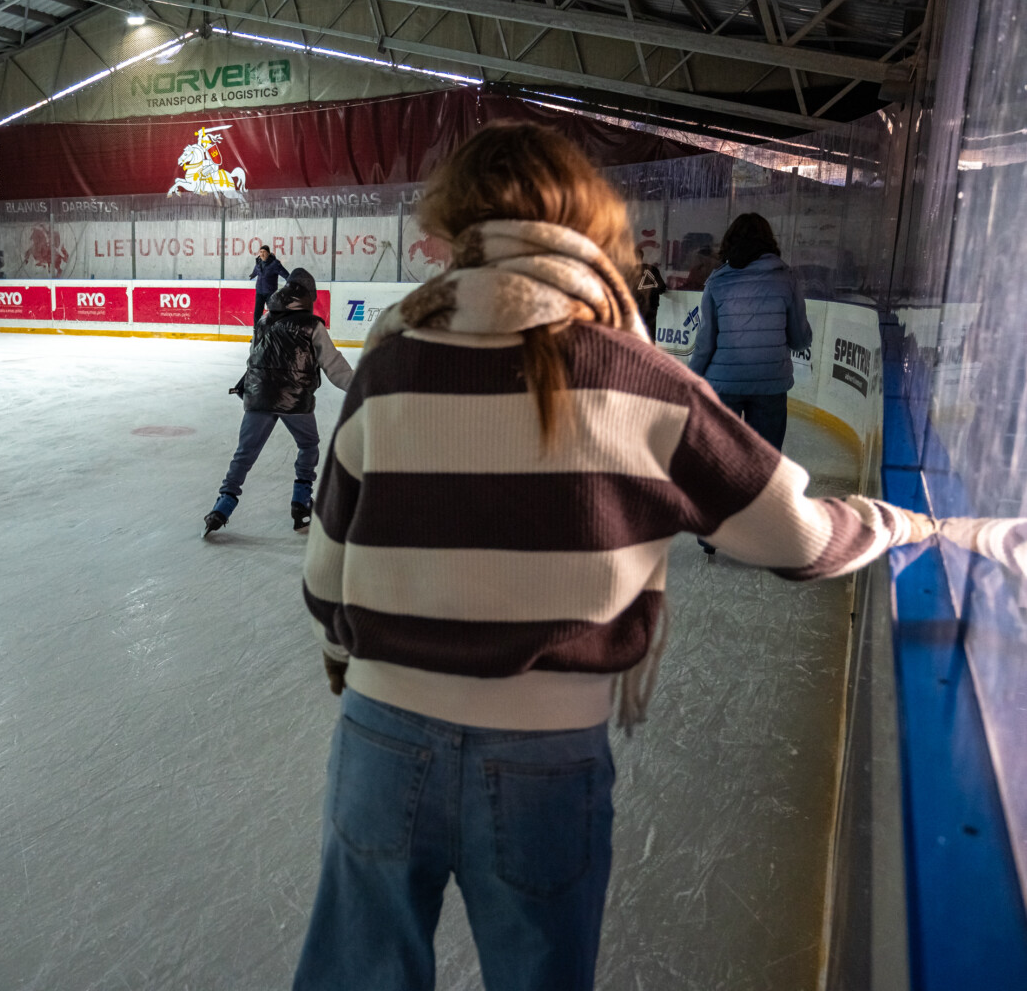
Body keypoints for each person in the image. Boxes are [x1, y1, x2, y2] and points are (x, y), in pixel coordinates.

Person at [292, 122, 977, 991]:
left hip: (381, 739)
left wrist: (348, 655)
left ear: (457, 224)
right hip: (544, 757)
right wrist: (904, 525)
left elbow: (327, 570)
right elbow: (802, 540)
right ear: (589, 224)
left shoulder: (391, 361)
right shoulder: (640, 378)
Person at [205, 268, 353, 538]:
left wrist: (251, 389)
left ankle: (222, 506)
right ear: (307, 297)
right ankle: (301, 503)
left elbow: (253, 357)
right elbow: (334, 365)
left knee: (244, 454)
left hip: (259, 396)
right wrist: (361, 388)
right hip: (295, 399)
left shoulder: (264, 320)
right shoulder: (312, 325)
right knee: (308, 445)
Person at [688, 213, 809, 453]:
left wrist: (692, 378)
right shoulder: (787, 279)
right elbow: (800, 340)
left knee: (722, 459)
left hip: (724, 383)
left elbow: (705, 343)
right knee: (765, 459)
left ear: (729, 242)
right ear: (769, 242)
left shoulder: (717, 281)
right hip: (771, 383)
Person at [250, 245, 288, 325]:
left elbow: (285, 274)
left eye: (264, 252)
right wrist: (253, 274)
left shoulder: (275, 264)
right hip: (259, 291)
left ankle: (274, 329)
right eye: (260, 252)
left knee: (273, 313)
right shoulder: (258, 262)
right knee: (257, 313)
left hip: (270, 292)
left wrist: (290, 281)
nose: (262, 254)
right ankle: (257, 330)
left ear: (268, 253)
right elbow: (256, 271)